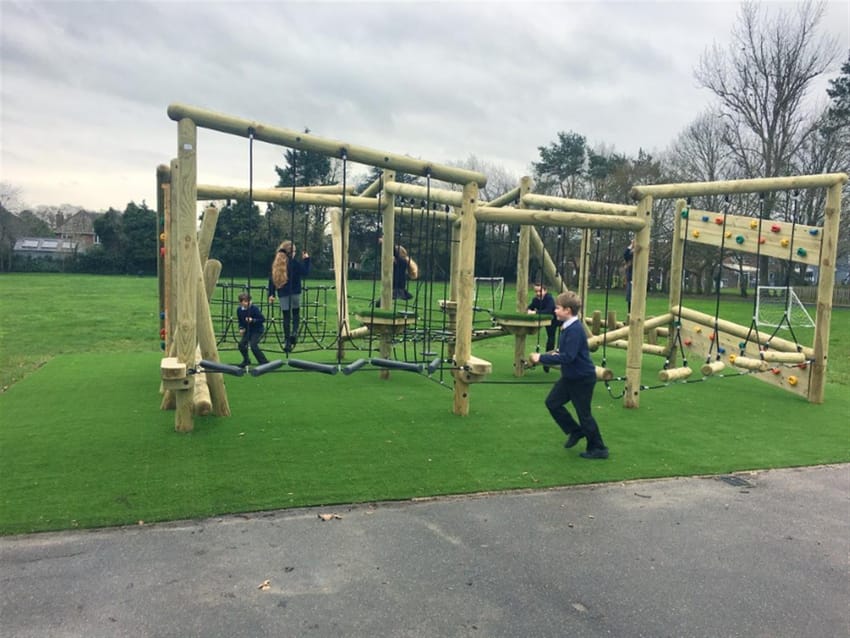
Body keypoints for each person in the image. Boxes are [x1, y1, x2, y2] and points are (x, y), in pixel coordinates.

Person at [529, 291, 609, 460]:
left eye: (557, 308)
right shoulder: (567, 327)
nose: (555, 311)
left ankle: (599, 448)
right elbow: (565, 352)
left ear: (567, 310)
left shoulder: (574, 330)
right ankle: (575, 431)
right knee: (552, 403)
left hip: (582, 379)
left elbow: (568, 357)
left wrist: (541, 358)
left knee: (584, 414)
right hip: (570, 377)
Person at [267, 240, 310, 352]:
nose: (295, 253)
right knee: (295, 314)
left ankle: (287, 342)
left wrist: (271, 294)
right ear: (291, 252)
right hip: (295, 292)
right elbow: (305, 272)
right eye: (294, 251)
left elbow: (272, 280)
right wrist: (306, 259)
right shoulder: (293, 263)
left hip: (283, 294)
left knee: (286, 317)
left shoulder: (277, 263)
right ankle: (294, 333)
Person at [527, 283, 557, 372]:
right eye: (536, 291)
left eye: (539, 291)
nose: (537, 293)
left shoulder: (549, 298)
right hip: (543, 320)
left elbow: (549, 311)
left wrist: (535, 312)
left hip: (554, 321)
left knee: (551, 339)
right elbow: (530, 307)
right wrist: (528, 310)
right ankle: (544, 360)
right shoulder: (536, 300)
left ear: (545, 290)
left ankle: (548, 361)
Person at [236, 292, 269, 368]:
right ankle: (246, 360)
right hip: (248, 330)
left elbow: (262, 319)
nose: (248, 303)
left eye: (249, 301)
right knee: (241, 344)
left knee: (253, 345)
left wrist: (253, 320)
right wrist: (241, 328)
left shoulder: (254, 309)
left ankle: (264, 362)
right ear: (241, 302)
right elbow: (240, 321)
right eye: (245, 301)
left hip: (257, 330)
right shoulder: (239, 310)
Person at [623, 239, 634, 312]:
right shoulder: (630, 255)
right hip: (631, 279)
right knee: (630, 299)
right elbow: (625, 254)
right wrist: (631, 245)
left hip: (639, 280)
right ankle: (629, 315)